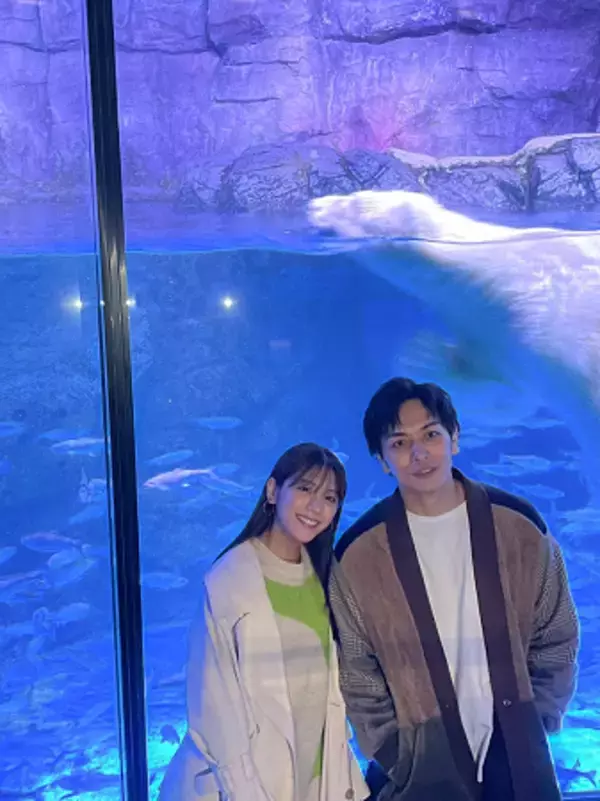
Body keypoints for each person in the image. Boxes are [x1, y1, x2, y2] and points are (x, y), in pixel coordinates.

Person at [328, 378, 580, 801]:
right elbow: (355, 668)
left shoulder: (519, 525)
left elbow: (556, 631)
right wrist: (393, 752)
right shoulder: (358, 553)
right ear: (382, 459)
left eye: (431, 435)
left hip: (517, 752)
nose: (419, 453)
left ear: (455, 438)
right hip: (419, 769)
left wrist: (538, 717)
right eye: (400, 443)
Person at [159, 442, 369, 801]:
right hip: (244, 782)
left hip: (313, 775)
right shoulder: (228, 579)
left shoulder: (324, 576)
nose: (316, 507)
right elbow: (212, 704)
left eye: (330, 498)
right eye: (305, 488)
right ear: (273, 491)